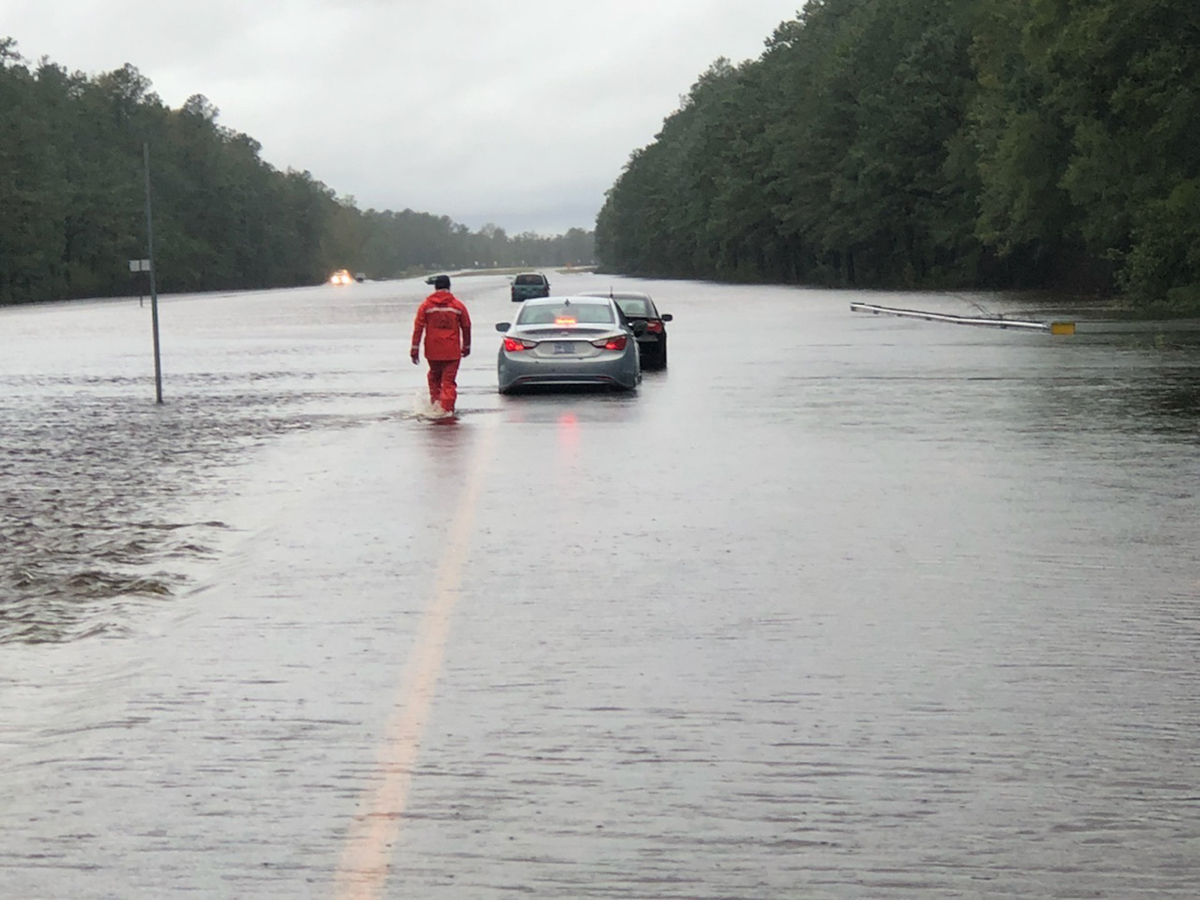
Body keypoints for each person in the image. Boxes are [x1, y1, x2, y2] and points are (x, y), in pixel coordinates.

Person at [411, 274, 471, 416]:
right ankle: (447, 410)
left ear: (435, 287)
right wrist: (466, 346)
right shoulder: (457, 305)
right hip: (452, 351)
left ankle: (436, 406)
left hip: (433, 350)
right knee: (448, 382)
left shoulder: (426, 306)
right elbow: (466, 326)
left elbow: (418, 327)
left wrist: (414, 349)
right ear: (449, 287)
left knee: (434, 378)